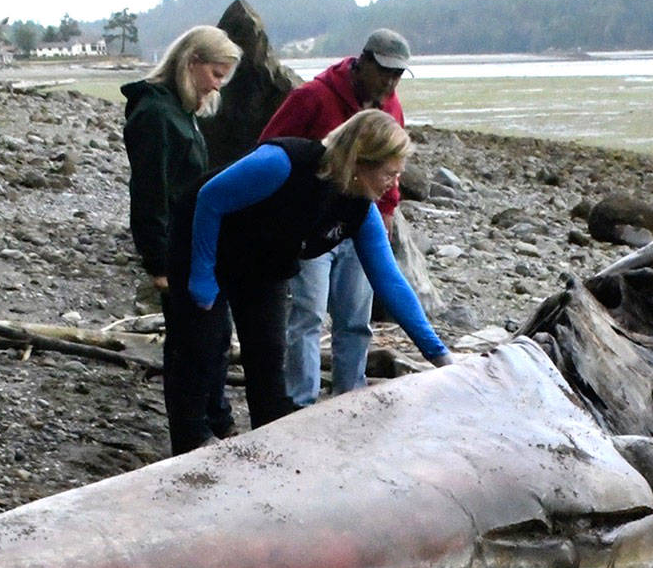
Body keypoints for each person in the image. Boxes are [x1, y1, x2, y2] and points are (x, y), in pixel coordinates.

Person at [163, 109, 452, 455]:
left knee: (268, 354)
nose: (395, 182)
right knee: (202, 346)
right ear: (361, 162)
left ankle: (268, 444)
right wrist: (202, 276)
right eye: (390, 173)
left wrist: (439, 355)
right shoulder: (283, 163)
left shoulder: (359, 209)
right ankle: (190, 441)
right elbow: (208, 200)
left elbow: (390, 280)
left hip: (263, 261)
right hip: (201, 240)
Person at [259, 29, 412, 407]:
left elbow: (392, 163)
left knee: (356, 319)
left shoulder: (391, 107)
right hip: (311, 226)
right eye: (385, 72)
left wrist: (388, 207)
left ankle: (349, 398)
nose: (390, 82)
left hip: (360, 222)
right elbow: (270, 148)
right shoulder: (312, 97)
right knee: (308, 313)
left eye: (397, 75)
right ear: (363, 62)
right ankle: (300, 403)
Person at [121, 25, 242, 443]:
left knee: (213, 339)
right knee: (192, 348)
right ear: (192, 62)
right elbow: (149, 192)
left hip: (197, 245)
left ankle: (215, 420)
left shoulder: (180, 111)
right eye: (216, 74)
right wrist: (156, 262)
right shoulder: (155, 115)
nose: (217, 86)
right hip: (175, 250)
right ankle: (193, 435)